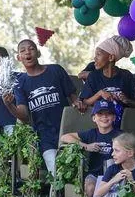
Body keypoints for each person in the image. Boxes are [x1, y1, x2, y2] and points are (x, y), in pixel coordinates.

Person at [8, 39, 83, 175]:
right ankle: (55, 189)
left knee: (75, 172)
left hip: (67, 131)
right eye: (23, 50)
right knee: (55, 172)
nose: (27, 52)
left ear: (38, 53)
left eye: (31, 48)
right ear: (19, 58)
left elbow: (73, 96)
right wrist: (9, 105)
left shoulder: (56, 70)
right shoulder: (19, 83)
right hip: (44, 136)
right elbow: (24, 116)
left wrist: (77, 103)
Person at [59, 100, 122, 197]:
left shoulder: (120, 135)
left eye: (108, 114)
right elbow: (64, 137)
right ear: (94, 118)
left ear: (114, 117)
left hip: (116, 176)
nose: (104, 117)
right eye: (100, 114)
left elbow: (133, 147)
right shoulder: (91, 134)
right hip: (94, 175)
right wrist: (85, 146)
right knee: (89, 188)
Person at [78, 36, 135, 121]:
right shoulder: (93, 76)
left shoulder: (126, 76)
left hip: (122, 124)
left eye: (98, 54)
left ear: (111, 57)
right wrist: (100, 94)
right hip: (100, 124)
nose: (95, 58)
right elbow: (85, 102)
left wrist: (127, 100)